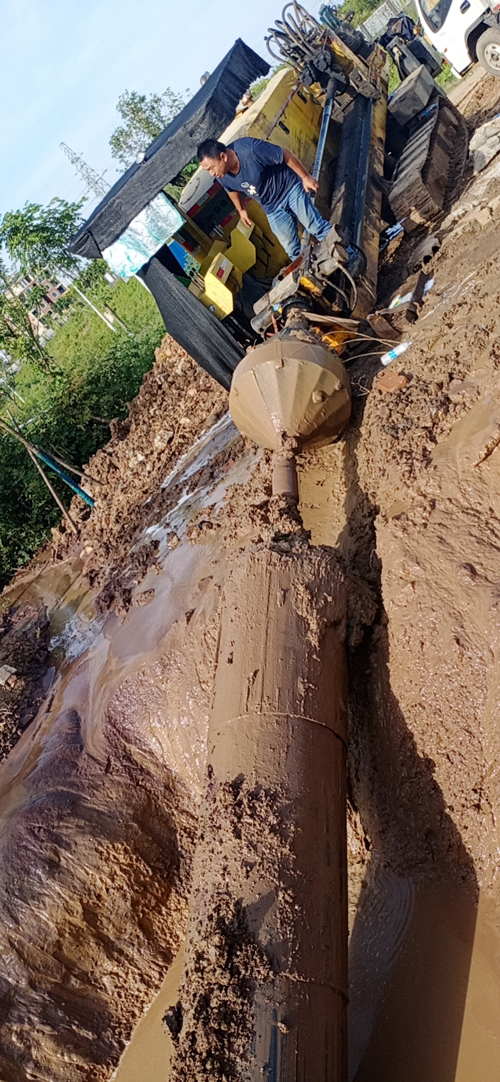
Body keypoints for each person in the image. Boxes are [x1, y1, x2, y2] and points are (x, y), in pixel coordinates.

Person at [197, 137, 332, 261]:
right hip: (271, 207)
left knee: (315, 226)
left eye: (211, 168)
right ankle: (319, 273)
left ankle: (342, 252)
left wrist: (305, 177)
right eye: (208, 171)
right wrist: (241, 210)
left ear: (223, 156)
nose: (212, 173)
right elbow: (231, 190)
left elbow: (285, 154)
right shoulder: (221, 176)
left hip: (289, 187)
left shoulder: (251, 149)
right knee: (292, 251)